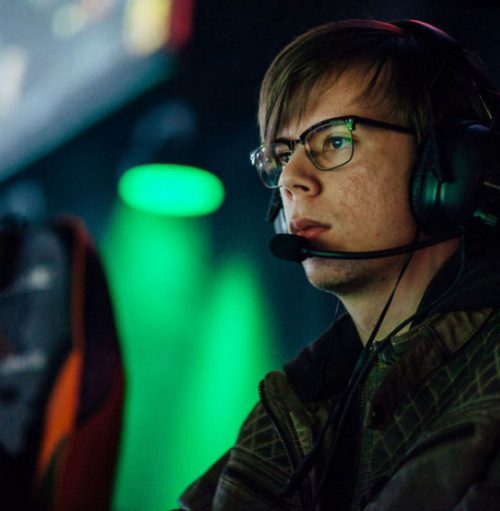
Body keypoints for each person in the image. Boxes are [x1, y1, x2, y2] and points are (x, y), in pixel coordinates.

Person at [178, 18, 500, 510]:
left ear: (445, 167)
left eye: (334, 141)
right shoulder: (299, 404)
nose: (291, 180)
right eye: (281, 154)